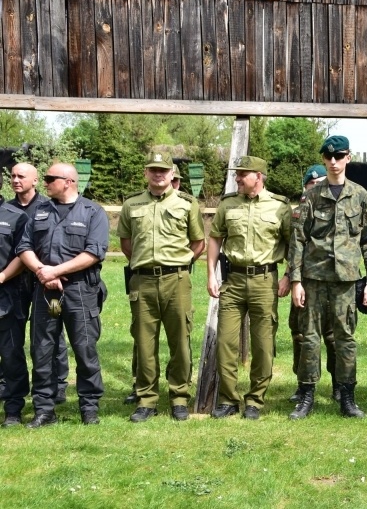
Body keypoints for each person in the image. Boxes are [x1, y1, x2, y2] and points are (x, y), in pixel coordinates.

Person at [287, 135, 367, 419]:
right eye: (329, 157)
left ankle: (347, 397)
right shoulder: (312, 197)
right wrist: (296, 281)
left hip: (346, 281)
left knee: (345, 339)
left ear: (348, 157)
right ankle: (307, 396)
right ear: (324, 160)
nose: (334, 161)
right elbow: (298, 240)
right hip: (314, 279)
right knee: (310, 338)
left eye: (339, 156)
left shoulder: (360, 195)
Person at [18, 163, 109, 427]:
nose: (45, 183)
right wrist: (43, 271)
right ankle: (44, 409)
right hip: (45, 290)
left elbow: (94, 252)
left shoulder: (93, 212)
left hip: (80, 290)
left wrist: (56, 270)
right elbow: (24, 246)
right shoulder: (39, 212)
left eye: (49, 178)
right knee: (42, 350)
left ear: (68, 181)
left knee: (84, 349)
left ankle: (89, 407)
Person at [118, 152, 205, 422]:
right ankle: (146, 400)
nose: (158, 174)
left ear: (171, 175)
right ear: (146, 173)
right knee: (144, 343)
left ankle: (179, 398)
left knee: (180, 340)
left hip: (176, 281)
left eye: (163, 170)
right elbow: (126, 243)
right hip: (142, 280)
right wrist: (145, 264)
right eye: (153, 170)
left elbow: (198, 242)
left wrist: (178, 264)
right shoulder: (132, 204)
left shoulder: (187, 204)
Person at [207, 156, 292, 420]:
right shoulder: (228, 204)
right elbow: (215, 239)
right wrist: (211, 274)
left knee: (263, 345)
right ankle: (228, 399)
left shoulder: (279, 207)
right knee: (225, 343)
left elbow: (293, 245)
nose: (238, 178)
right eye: (237, 174)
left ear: (258, 175)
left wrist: (289, 275)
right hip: (232, 280)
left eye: (243, 174)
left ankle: (255, 400)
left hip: (265, 281)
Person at [9, 163, 70, 406]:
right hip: (15, 283)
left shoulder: (47, 207)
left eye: (21, 176)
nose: (15, 180)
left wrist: (47, 272)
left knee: (52, 335)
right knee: (14, 336)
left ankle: (59, 383)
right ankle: (12, 383)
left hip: (44, 282)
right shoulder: (6, 209)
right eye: (12, 176)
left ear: (35, 181)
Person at [287, 164, 339, 404]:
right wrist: (291, 278)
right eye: (312, 184)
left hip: (335, 281)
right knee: (301, 335)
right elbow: (293, 248)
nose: (317, 188)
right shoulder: (299, 212)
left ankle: (339, 384)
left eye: (321, 184)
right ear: (305, 188)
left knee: (334, 336)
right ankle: (303, 384)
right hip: (305, 281)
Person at [0, 174, 31, 427]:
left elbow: (23, 254)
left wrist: (1, 276)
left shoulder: (16, 216)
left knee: (11, 355)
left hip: (6, 295)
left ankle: (13, 409)